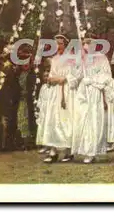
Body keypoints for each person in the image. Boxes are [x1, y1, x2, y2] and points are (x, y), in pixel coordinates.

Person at [71, 34, 114, 164]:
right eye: (85, 43)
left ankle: (92, 151)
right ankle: (85, 149)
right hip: (83, 92)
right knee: (82, 120)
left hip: (95, 91)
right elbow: (75, 75)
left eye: (90, 43)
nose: (87, 46)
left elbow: (106, 76)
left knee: (94, 121)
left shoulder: (101, 58)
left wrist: (92, 80)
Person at [42, 35, 79, 163]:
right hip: (55, 92)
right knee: (54, 120)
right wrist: (53, 79)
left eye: (61, 44)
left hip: (67, 92)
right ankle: (53, 151)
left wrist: (64, 79)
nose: (58, 46)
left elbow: (75, 77)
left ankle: (68, 151)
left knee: (66, 119)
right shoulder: (55, 59)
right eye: (56, 44)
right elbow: (51, 76)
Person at [35, 66, 53, 154]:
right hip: (43, 108)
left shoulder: (53, 87)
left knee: (49, 126)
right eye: (44, 76)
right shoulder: (43, 87)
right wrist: (38, 107)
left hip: (50, 108)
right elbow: (40, 98)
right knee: (42, 126)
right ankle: (45, 146)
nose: (46, 78)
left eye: (47, 76)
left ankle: (50, 146)